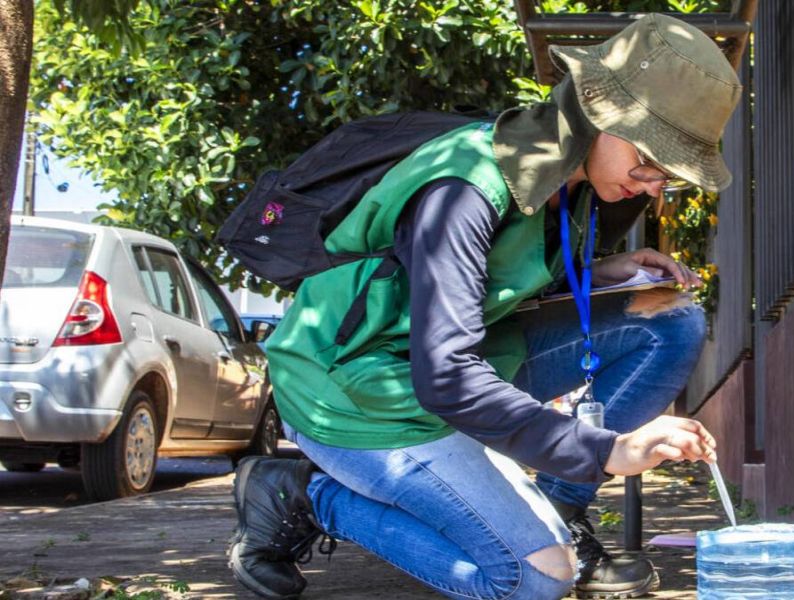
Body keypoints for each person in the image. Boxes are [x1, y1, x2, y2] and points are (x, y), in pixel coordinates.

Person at [227, 14, 742, 600]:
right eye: (652, 158)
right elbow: (445, 376)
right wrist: (607, 450)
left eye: (670, 174)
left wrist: (598, 273)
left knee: (668, 319)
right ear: (597, 112)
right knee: (532, 581)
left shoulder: (569, 181)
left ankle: (558, 512)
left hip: (460, 366)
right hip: (357, 394)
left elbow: (482, 285)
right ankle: (308, 495)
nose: (654, 184)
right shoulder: (465, 187)